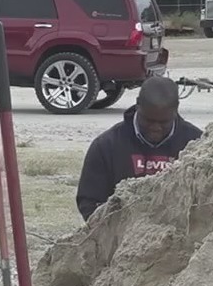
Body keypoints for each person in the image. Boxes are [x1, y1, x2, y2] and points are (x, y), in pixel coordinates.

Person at [76, 76, 202, 221]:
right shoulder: (106, 146)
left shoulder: (197, 144)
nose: (155, 128)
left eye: (163, 122)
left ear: (175, 110)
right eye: (148, 120)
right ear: (137, 105)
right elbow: (89, 202)